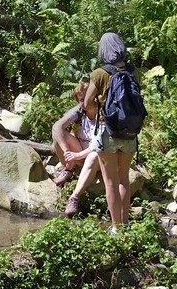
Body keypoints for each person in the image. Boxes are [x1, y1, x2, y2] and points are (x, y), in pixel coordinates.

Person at [81, 32, 139, 233]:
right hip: (130, 133)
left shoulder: (99, 73)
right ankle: (126, 224)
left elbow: (87, 103)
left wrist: (99, 103)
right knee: (124, 178)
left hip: (108, 131)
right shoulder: (133, 71)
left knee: (111, 182)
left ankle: (116, 228)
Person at [50, 78, 106, 218]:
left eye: (87, 98)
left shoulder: (104, 113)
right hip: (78, 151)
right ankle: (69, 169)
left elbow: (100, 143)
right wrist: (67, 152)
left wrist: (78, 156)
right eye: (81, 99)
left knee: (93, 156)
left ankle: (74, 197)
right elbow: (57, 127)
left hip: (99, 155)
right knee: (58, 137)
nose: (84, 102)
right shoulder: (80, 111)